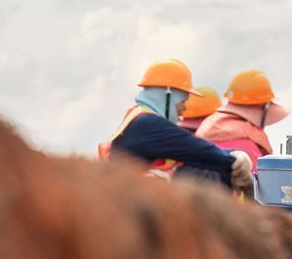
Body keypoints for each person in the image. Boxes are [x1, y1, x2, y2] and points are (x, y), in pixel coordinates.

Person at [101, 59, 253, 189]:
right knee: (205, 175)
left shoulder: (139, 117)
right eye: (183, 100)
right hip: (129, 197)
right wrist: (235, 159)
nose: (184, 108)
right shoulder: (148, 123)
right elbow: (197, 150)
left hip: (125, 192)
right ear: (168, 95)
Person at [196, 69, 288, 193]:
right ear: (265, 107)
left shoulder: (207, 126)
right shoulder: (248, 142)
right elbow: (266, 189)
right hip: (235, 209)